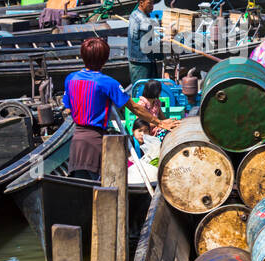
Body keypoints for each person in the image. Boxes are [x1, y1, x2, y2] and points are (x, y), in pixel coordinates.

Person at [62, 38, 178, 180]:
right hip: (95, 142)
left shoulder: (70, 79)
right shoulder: (107, 82)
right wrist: (160, 122)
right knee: (101, 186)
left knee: (81, 186)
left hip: (77, 141)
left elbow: (68, 108)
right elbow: (135, 107)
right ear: (105, 59)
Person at [127, 0, 160, 86]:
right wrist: (161, 42)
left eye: (153, 3)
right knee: (141, 90)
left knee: (151, 89)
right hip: (140, 62)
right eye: (149, 4)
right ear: (141, 3)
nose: (152, 6)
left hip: (147, 59)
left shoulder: (139, 15)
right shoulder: (140, 19)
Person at [131, 79, 167, 145]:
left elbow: (162, 116)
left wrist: (169, 122)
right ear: (156, 92)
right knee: (164, 133)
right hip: (146, 131)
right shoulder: (141, 105)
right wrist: (160, 124)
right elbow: (140, 124)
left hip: (157, 127)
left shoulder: (156, 102)